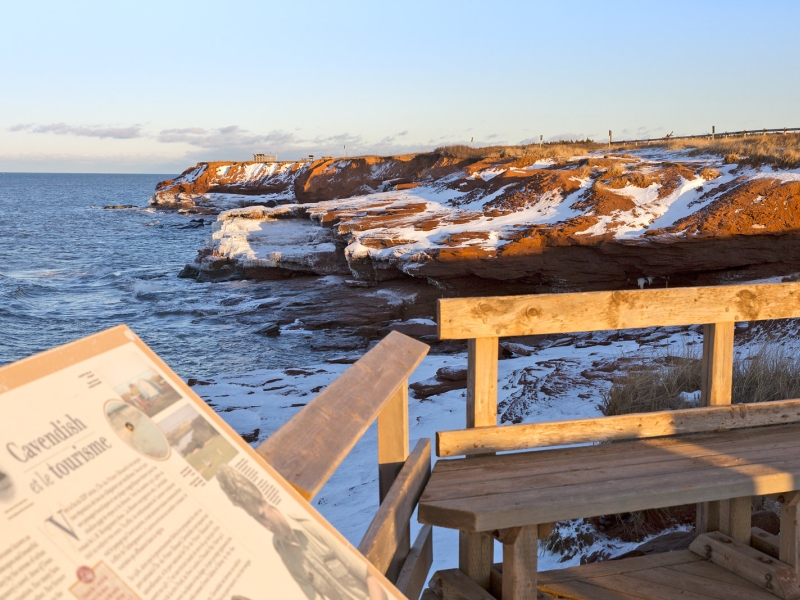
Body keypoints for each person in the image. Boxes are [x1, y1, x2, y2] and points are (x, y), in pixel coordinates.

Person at [216, 464, 387, 600]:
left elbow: (369, 575)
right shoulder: (282, 549)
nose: (266, 526)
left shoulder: (308, 526)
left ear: (264, 500)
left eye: (262, 516)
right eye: (256, 519)